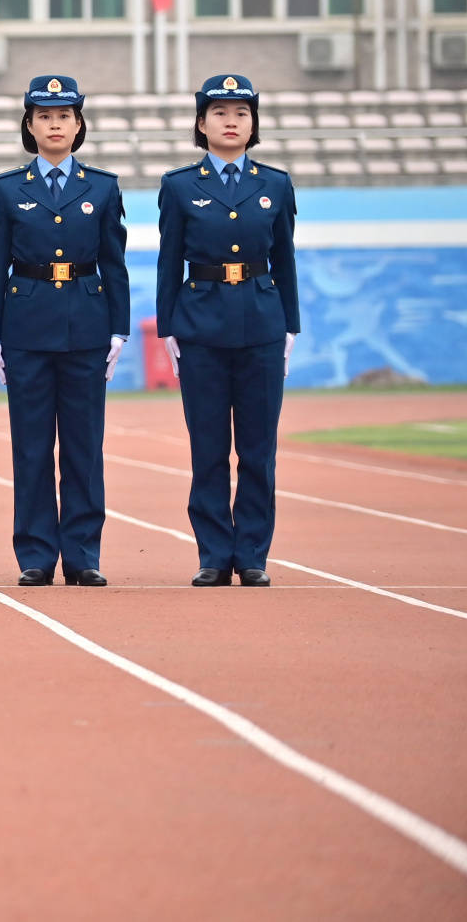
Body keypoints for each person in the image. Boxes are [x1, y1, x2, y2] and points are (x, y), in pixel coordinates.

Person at [0, 75, 130, 588]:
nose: (55, 125)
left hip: (88, 327)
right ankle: (36, 555)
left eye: (64, 116)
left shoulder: (103, 188)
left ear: (79, 124)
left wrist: (120, 330)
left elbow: (115, 264)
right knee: (32, 446)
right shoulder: (6, 190)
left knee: (85, 447)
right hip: (26, 328)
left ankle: (84, 553)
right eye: (44, 116)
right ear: (30, 125)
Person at [156, 73, 299, 588]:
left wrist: (290, 327)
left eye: (241, 113)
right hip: (201, 327)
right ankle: (214, 554)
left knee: (258, 449)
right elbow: (169, 261)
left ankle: (253, 553)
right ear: (202, 124)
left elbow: (284, 260)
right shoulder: (179, 186)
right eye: (220, 113)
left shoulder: (276, 185)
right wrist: (168, 328)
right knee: (209, 447)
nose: (231, 121)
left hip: (262, 323)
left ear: (253, 123)